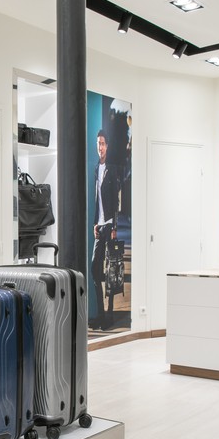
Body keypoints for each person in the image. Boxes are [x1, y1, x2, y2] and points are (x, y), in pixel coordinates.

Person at [90, 129, 120, 330]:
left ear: (107, 146)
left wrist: (114, 226)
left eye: (102, 143)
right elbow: (97, 199)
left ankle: (109, 315)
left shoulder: (112, 169)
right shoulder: (96, 169)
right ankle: (101, 314)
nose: (100, 147)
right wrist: (95, 223)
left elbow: (116, 200)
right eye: (98, 143)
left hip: (110, 226)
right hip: (100, 226)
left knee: (110, 272)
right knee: (95, 269)